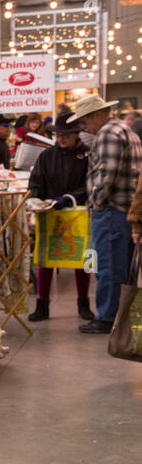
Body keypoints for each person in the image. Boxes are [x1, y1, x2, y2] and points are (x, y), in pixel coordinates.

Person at [67, 94, 142, 333]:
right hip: (125, 210)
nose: (83, 126)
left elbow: (107, 174)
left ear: (97, 115)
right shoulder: (126, 130)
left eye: (85, 121)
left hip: (111, 210)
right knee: (124, 266)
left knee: (107, 265)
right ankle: (120, 315)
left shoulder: (108, 134)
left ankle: (108, 317)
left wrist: (97, 202)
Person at [27, 111, 92, 322]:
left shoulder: (88, 155)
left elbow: (90, 185)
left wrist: (70, 197)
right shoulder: (46, 156)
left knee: (84, 260)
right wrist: (35, 198)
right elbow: (35, 182)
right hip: (50, 214)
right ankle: (42, 305)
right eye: (58, 135)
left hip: (80, 213)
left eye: (66, 134)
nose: (61, 138)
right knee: (45, 258)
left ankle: (84, 303)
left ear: (76, 134)